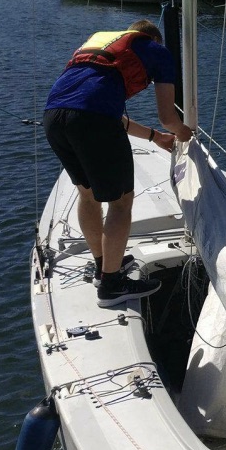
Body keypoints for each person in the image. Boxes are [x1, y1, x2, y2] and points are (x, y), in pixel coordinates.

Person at [43, 20, 193, 307]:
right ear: (154, 40)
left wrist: (154, 137)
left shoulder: (97, 47)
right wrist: (183, 133)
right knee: (121, 202)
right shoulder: (157, 51)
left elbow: (102, 113)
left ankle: (103, 266)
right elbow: (168, 117)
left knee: (87, 193)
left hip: (54, 118)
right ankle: (112, 286)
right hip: (92, 121)